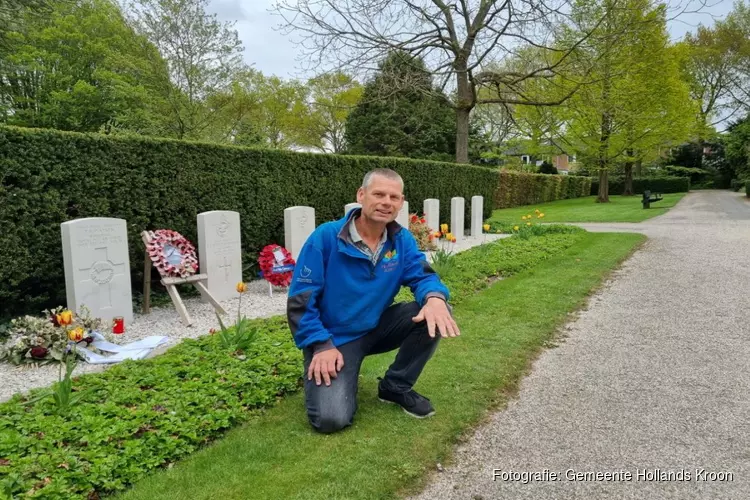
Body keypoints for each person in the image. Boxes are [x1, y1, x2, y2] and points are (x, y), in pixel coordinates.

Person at [287, 168, 460, 434]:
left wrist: (435, 297)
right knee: (331, 419)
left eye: (394, 196)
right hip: (334, 338)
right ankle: (335, 371)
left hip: (376, 327)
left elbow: (422, 275)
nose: (386, 202)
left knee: (433, 311)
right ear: (361, 195)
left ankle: (395, 386)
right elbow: (300, 301)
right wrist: (320, 345)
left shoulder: (400, 240)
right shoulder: (325, 238)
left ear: (401, 203)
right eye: (379, 194)